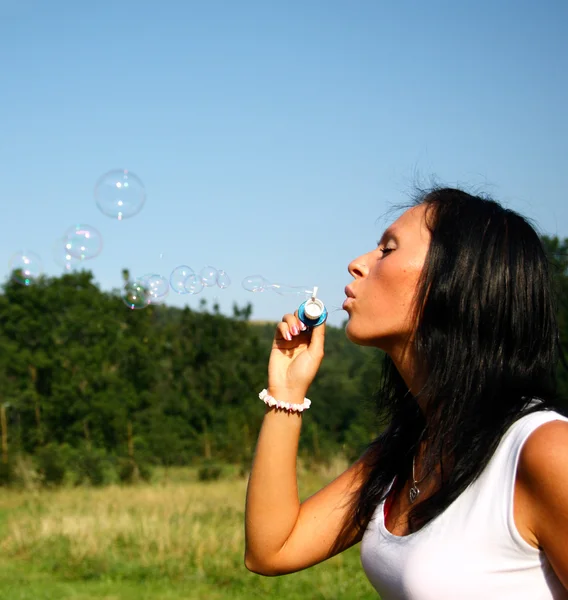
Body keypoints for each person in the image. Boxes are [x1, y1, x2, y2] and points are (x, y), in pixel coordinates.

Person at [244, 187, 568, 599]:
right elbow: (271, 550)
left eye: (387, 249)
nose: (357, 264)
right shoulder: (407, 451)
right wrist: (286, 392)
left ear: (453, 281)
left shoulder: (545, 450)